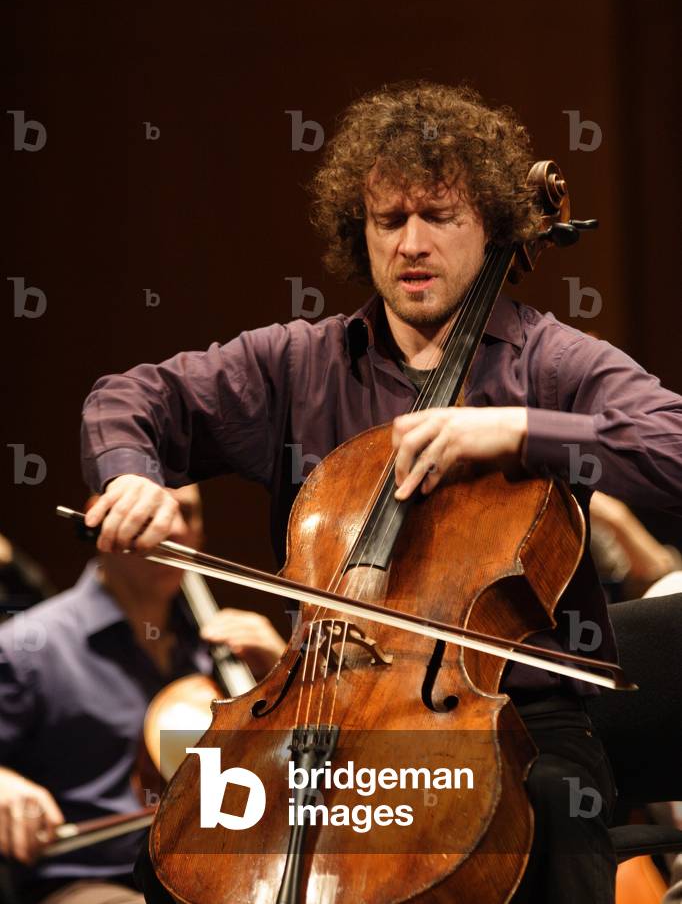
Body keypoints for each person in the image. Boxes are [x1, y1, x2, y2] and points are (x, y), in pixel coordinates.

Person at [79, 82, 682, 903]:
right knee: (173, 856)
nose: (412, 243)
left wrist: (518, 431)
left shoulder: (554, 364)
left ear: (496, 226)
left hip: (512, 726)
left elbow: (673, 448)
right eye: (389, 221)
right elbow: (132, 397)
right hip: (313, 712)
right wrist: (129, 474)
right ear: (358, 233)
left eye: (440, 215)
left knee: (548, 826)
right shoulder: (299, 363)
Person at [0, 484, 285, 903]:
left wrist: (285, 676)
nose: (172, 527)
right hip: (94, 883)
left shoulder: (225, 651)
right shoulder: (29, 646)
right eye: (152, 513)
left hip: (217, 875)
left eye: (187, 514)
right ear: (100, 519)